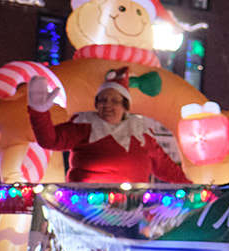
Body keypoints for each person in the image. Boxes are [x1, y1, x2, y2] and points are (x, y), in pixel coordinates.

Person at [26, 68, 190, 185]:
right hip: (86, 207)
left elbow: (165, 167)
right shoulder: (83, 124)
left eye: (114, 101)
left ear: (125, 106)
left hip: (132, 209)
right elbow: (50, 140)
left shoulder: (141, 132)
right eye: (102, 100)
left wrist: (193, 188)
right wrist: (39, 112)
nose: (107, 105)